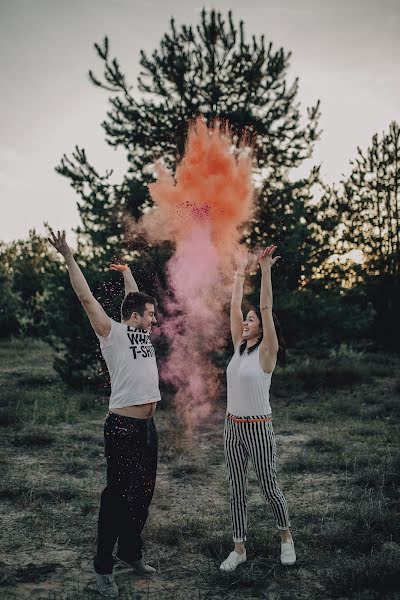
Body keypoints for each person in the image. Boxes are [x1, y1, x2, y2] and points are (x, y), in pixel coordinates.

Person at [49, 230, 160, 598]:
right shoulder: (111, 333)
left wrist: (128, 271)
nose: (154, 321)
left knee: (142, 495)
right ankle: (103, 568)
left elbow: (133, 298)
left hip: (148, 429)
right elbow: (85, 296)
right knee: (116, 498)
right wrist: (67, 255)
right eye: (151, 315)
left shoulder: (142, 335)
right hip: (123, 428)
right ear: (136, 317)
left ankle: (130, 553)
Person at [220, 245, 296, 572]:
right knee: (237, 488)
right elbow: (235, 305)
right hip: (232, 427)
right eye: (247, 320)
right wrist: (239, 272)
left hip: (258, 427)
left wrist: (265, 269)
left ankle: (286, 539)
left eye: (253, 320)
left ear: (263, 327)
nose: (247, 321)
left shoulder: (268, 352)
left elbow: (264, 306)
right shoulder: (239, 347)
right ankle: (239, 549)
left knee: (268, 486)